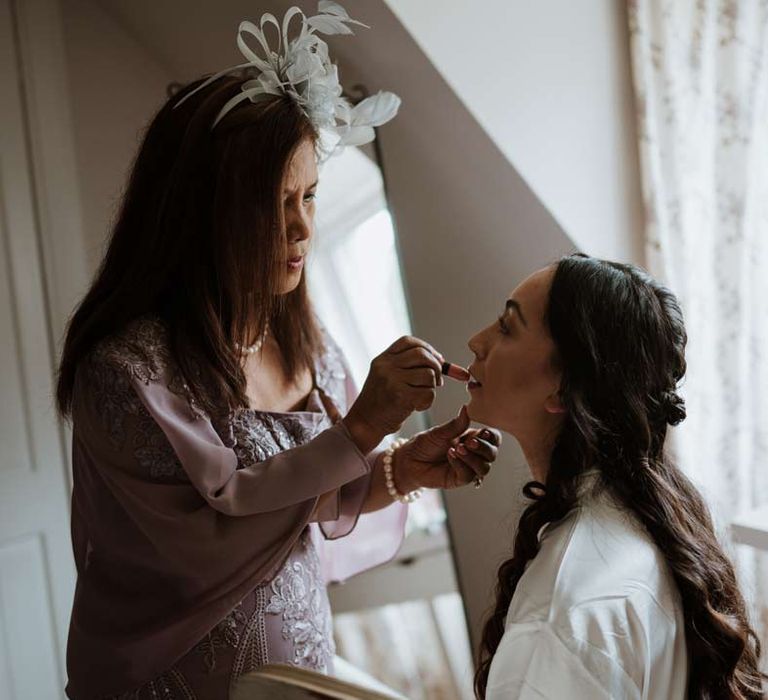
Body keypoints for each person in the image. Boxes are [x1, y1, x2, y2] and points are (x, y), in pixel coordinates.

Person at [55, 5, 500, 698]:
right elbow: (209, 544)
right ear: (200, 214)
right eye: (274, 203)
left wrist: (402, 468)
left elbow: (310, 501)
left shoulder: (309, 343)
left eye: (311, 196)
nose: (300, 228)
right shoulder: (128, 373)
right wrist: (360, 429)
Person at [467, 254, 763, 699]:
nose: (476, 342)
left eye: (507, 328)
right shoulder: (665, 517)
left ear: (564, 386)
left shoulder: (555, 624)